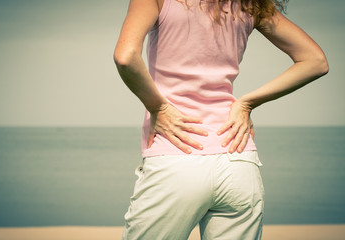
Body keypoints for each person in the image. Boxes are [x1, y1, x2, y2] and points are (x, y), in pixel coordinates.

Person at [114, 0, 328, 239]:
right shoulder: (250, 5)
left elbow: (126, 56)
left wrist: (158, 106)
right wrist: (247, 103)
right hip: (238, 158)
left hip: (177, 153)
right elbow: (316, 61)